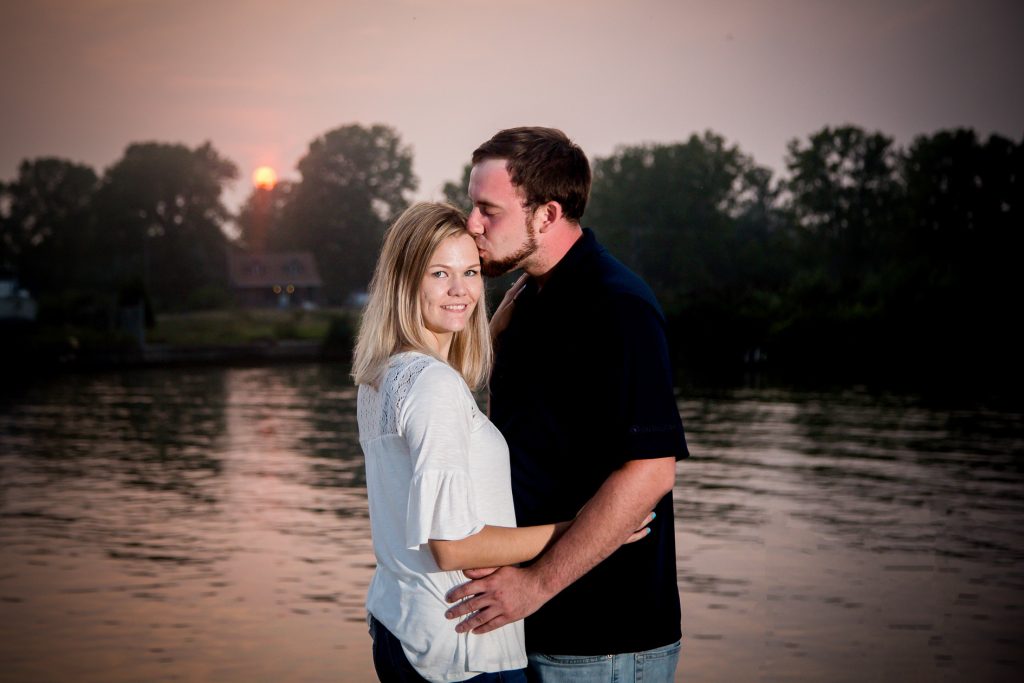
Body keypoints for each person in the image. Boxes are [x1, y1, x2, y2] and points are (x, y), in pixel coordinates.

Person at [352, 202, 651, 683]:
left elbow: (449, 427)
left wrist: (490, 331)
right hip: (461, 648)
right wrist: (585, 529)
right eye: (439, 274)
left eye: (470, 272)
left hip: (403, 629)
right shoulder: (434, 387)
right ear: (405, 282)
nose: (461, 291)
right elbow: (452, 546)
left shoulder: (383, 377)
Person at [445, 128, 689, 682]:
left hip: (602, 642)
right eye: (472, 206)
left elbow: (651, 471)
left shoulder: (617, 305)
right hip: (526, 626)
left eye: (489, 210)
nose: (472, 224)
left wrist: (534, 584)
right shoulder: (527, 298)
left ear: (547, 214)